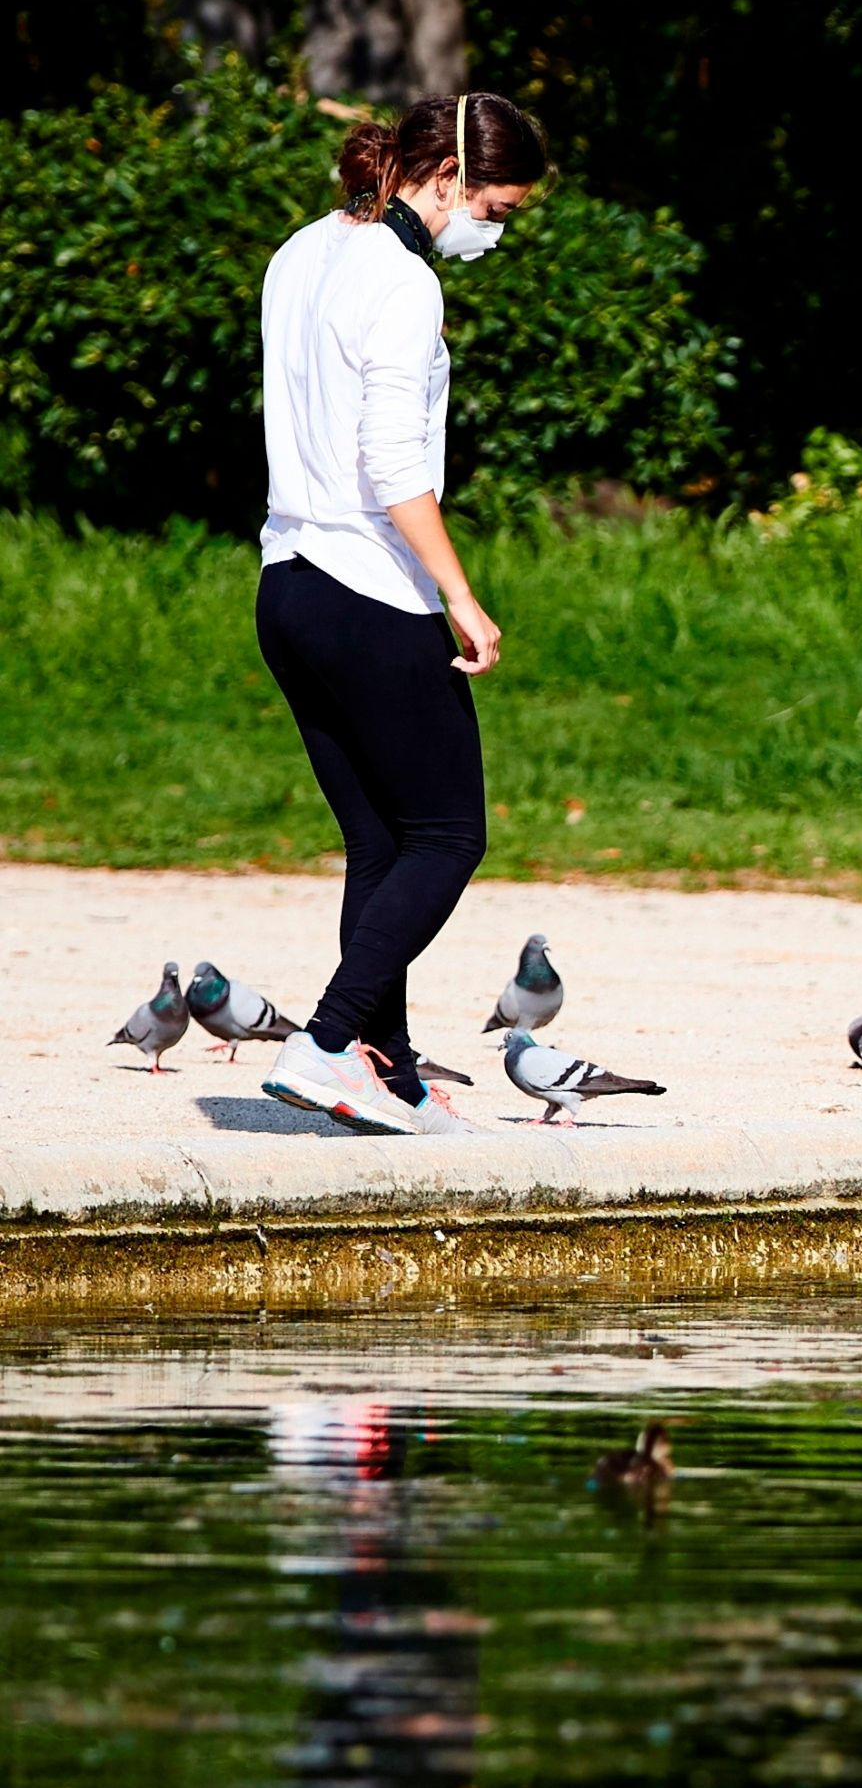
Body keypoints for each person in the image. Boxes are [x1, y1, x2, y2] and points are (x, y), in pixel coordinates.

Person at [254, 91, 548, 1137]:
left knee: (379, 843)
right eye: (498, 208)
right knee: (447, 837)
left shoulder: (302, 250)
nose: (496, 231)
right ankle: (327, 1042)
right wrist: (461, 597)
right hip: (365, 588)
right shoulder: (402, 280)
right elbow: (391, 470)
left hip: (284, 585)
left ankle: (392, 1078)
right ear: (449, 180)